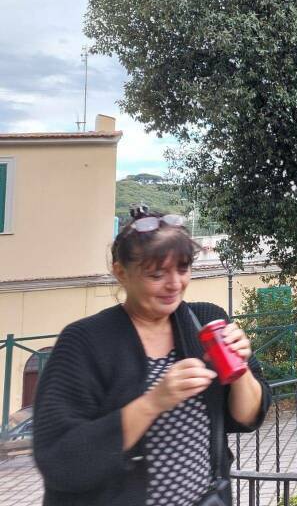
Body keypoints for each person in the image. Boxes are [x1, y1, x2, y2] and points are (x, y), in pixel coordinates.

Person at [33, 207, 270, 505]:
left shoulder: (206, 320)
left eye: (182, 269)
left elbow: (248, 417)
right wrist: (154, 401)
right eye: (156, 274)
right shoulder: (83, 341)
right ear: (121, 272)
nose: (174, 284)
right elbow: (59, 459)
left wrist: (240, 369)